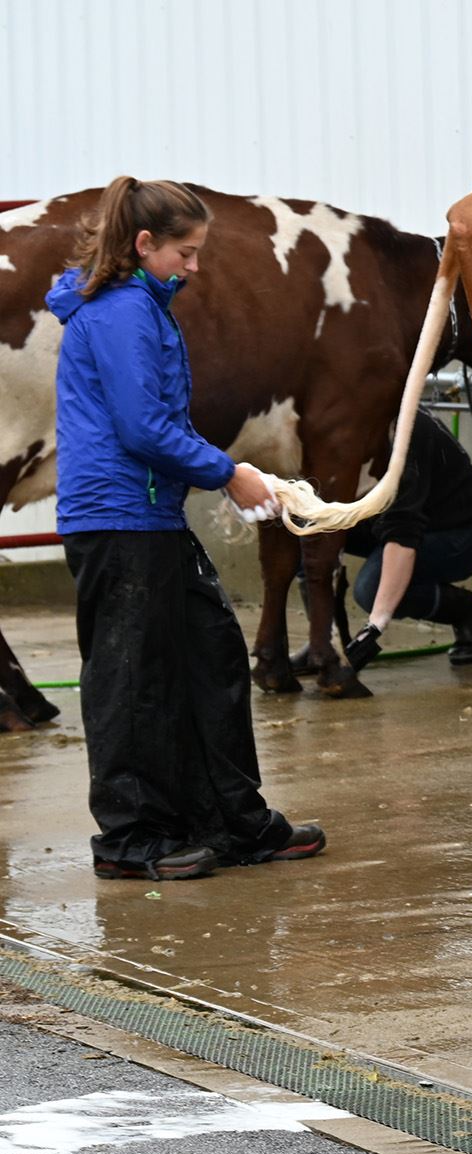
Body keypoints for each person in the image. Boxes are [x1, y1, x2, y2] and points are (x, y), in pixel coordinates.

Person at [48, 176, 327, 882]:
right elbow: (143, 427)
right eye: (187, 252)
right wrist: (228, 473)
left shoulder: (142, 306)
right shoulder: (121, 315)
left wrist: (210, 477)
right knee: (131, 677)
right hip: (118, 517)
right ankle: (131, 838)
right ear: (144, 245)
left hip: (148, 513)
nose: (195, 269)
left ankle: (229, 820)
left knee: (211, 655)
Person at [339, 413, 472, 673]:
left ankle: (468, 611)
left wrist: (374, 628)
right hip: (395, 526)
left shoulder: (403, 432)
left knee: (370, 588)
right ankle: (322, 641)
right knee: (308, 529)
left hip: (464, 533)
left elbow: (402, 532)